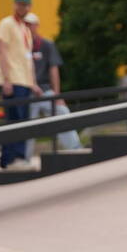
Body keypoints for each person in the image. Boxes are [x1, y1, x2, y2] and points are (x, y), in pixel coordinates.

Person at [24, 12, 81, 159]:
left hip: (45, 90)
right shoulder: (21, 46)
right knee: (26, 125)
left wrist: (57, 94)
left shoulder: (47, 45)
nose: (28, 28)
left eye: (31, 25)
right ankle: (25, 157)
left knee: (62, 112)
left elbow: (53, 69)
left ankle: (74, 148)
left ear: (36, 26)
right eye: (26, 25)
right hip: (27, 93)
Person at [0, 0, 42, 170]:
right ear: (14, 5)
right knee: (14, 119)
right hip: (12, 78)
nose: (22, 8)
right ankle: (14, 158)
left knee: (22, 119)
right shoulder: (6, 24)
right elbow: (2, 52)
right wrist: (6, 79)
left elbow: (27, 58)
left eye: (25, 5)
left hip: (24, 80)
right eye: (19, 5)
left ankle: (11, 158)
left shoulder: (24, 29)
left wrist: (33, 82)